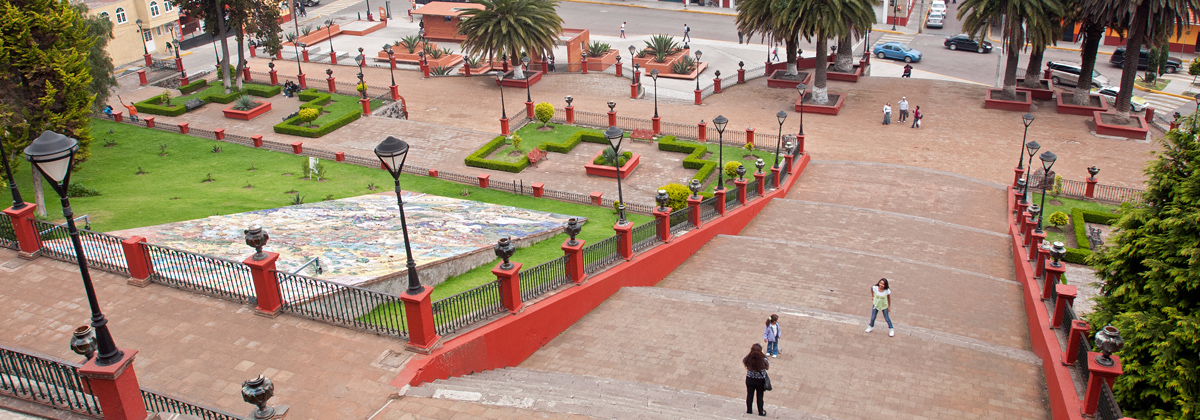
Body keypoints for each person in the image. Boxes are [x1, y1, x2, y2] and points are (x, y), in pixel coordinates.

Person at [743, 343, 770, 416]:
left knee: (749, 395)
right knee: (760, 396)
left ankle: (749, 410)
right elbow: (767, 366)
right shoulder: (763, 360)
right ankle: (760, 412)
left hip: (750, 379)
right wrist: (763, 355)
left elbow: (745, 361)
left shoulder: (747, 359)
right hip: (760, 380)